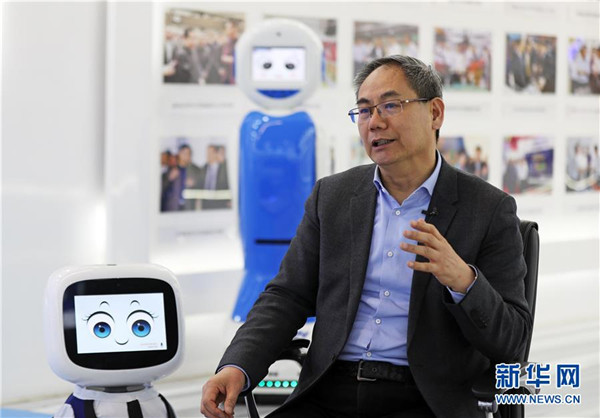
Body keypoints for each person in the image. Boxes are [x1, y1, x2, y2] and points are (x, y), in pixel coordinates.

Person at [201, 55, 531, 418]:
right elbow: (286, 296)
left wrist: (464, 281)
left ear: (435, 113)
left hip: (425, 399)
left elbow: (512, 341)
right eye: (364, 110)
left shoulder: (487, 209)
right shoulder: (333, 196)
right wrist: (237, 365)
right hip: (328, 390)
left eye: (391, 105)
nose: (375, 122)